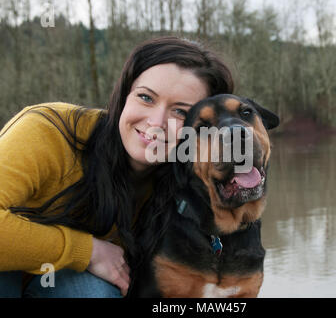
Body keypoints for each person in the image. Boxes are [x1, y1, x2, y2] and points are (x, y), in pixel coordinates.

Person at [0, 36, 234, 298]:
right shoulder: (47, 131)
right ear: (124, 96)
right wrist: (86, 251)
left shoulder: (193, 189)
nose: (156, 122)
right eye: (146, 97)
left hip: (61, 282)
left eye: (181, 112)